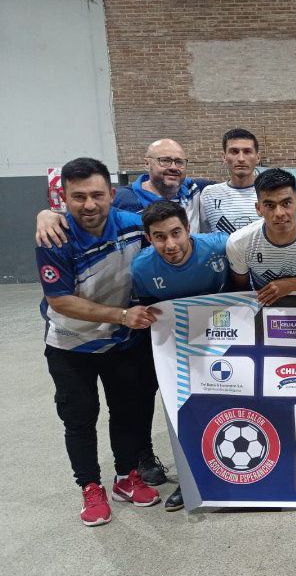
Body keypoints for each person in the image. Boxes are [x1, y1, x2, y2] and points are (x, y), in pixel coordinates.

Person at [36, 157, 161, 527]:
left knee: (128, 412)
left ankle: (126, 478)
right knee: (79, 419)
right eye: (78, 197)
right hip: (70, 346)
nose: (89, 205)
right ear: (64, 198)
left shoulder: (135, 226)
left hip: (121, 344)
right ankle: (91, 487)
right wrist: (122, 316)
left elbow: (176, 236)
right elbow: (60, 299)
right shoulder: (53, 235)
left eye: (96, 195)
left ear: (111, 194)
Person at [131, 200, 230, 511]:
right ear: (149, 238)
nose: (170, 244)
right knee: (184, 411)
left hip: (227, 336)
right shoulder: (143, 268)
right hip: (179, 344)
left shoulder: (220, 246)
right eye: (159, 237)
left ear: (189, 229)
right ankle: (191, 482)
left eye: (176, 233)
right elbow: (153, 315)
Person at [36, 139, 211, 248]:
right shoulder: (121, 198)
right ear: (146, 163)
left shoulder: (197, 189)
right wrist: (47, 215)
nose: (173, 167)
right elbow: (83, 214)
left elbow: (234, 186)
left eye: (179, 162)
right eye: (164, 160)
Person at [227, 168, 296, 303]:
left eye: (286, 203)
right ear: (259, 209)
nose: (279, 213)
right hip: (264, 309)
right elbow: (241, 292)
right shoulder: (239, 243)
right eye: (270, 205)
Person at [199, 128, 263, 234]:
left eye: (247, 151)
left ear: (257, 157)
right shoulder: (209, 194)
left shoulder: (271, 193)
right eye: (234, 152)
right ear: (224, 157)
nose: (241, 158)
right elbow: (205, 236)